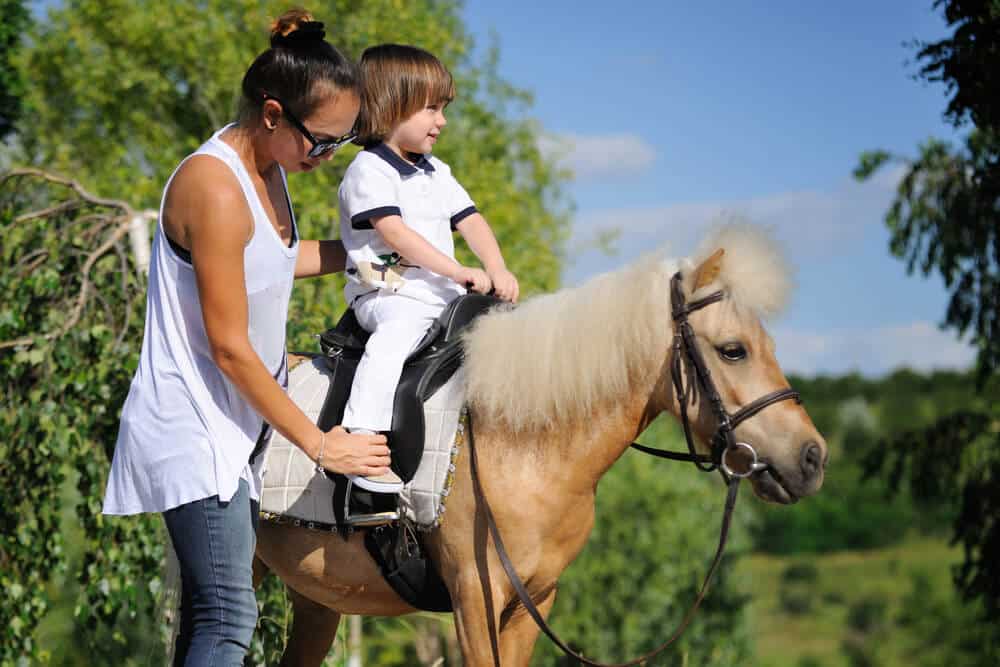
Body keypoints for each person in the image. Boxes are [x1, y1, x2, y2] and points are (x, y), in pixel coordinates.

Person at [101, 10, 391, 666]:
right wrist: (321, 444)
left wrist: (364, 258)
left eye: (340, 144)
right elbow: (229, 345)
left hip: (236, 427)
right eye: (319, 140)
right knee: (231, 613)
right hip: (194, 425)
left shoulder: (270, 171)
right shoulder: (215, 186)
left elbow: (273, 258)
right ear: (271, 114)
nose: (324, 157)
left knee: (210, 617)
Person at [338, 43, 519, 494]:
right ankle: (361, 436)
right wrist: (458, 270)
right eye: (431, 109)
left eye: (443, 109)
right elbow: (395, 234)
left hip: (435, 290)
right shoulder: (370, 171)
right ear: (390, 106)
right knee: (396, 336)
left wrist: (497, 267)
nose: (442, 121)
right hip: (383, 285)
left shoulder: (438, 171)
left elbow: (471, 220)